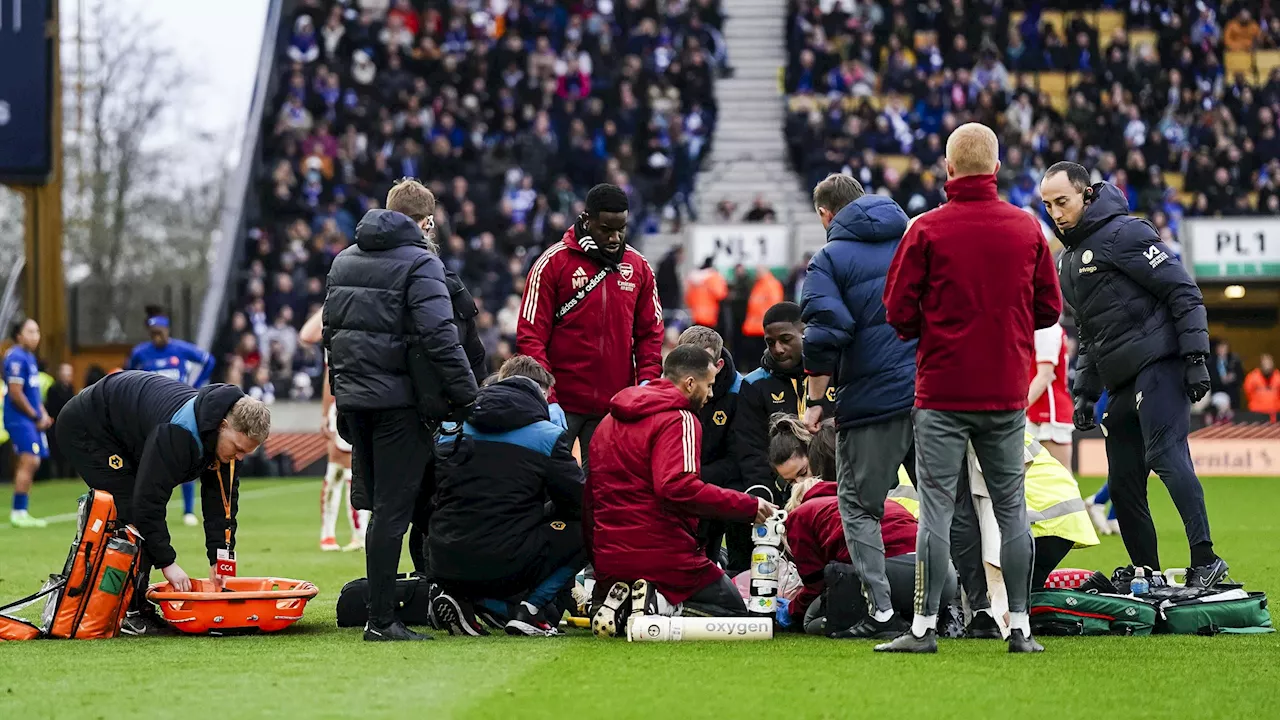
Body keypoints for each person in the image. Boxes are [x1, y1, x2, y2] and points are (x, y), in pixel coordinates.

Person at [882, 123, 1061, 654]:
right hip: (1005, 391)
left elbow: (897, 312)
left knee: (935, 508)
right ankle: (1020, 628)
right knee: (1011, 510)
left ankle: (923, 628)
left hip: (941, 390)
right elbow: (1050, 308)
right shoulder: (1026, 229)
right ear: (997, 170)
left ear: (949, 168)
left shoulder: (926, 229)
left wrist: (936, 328)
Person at [1043, 161, 1229, 589]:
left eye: (1063, 201)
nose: (1055, 211)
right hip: (1120, 380)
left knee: (1166, 456)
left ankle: (1207, 559)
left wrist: (1196, 357)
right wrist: (1085, 393)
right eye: (1048, 204)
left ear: (1086, 195)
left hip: (1161, 364)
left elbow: (1182, 290)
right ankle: (1147, 572)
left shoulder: (1126, 232)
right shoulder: (1067, 263)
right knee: (1122, 480)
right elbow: (1090, 334)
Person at [325, 178, 480, 642]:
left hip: (358, 401)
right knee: (400, 511)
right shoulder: (421, 264)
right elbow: (440, 338)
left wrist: (343, 396)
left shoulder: (344, 260)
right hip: (401, 405)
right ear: (427, 221)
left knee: (385, 512)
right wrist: (471, 398)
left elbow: (332, 337)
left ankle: (387, 610)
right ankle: (382, 620)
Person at [54, 371, 270, 634]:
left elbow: (222, 506)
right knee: (129, 512)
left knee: (135, 509)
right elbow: (148, 504)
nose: (240, 457)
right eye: (238, 449)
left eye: (247, 452)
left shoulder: (225, 441)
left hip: (128, 433)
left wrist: (221, 560)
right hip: (89, 427)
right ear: (223, 425)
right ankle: (129, 613)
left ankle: (134, 607)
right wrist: (168, 564)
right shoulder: (178, 434)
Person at [585, 345, 776, 637]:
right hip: (665, 557)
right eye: (709, 385)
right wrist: (748, 506)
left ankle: (622, 606)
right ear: (690, 383)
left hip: (609, 556)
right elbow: (678, 487)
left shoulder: (608, 421)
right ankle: (658, 604)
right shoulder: (680, 418)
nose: (711, 394)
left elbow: (590, 497)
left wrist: (598, 563)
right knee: (733, 611)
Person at [800, 172, 916, 639]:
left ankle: (882, 612)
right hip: (932, 394)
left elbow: (826, 332)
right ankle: (965, 610)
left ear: (826, 215)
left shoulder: (828, 258)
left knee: (859, 507)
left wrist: (814, 402)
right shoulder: (914, 239)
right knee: (948, 505)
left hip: (872, 400)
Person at [429, 356, 585, 637]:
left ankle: (466, 598)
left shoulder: (450, 428)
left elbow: (427, 494)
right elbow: (579, 502)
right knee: (587, 527)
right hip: (507, 562)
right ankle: (532, 610)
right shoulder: (548, 436)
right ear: (540, 393)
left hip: (444, 556)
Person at [517, 183, 663, 474]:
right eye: (606, 228)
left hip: (614, 406)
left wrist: (646, 382)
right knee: (546, 485)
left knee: (604, 490)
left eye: (621, 228)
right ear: (586, 220)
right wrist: (548, 396)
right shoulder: (552, 263)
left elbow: (650, 333)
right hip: (561, 405)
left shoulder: (638, 267)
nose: (615, 237)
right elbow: (530, 335)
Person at [676, 326, 771, 573]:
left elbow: (738, 454)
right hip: (683, 479)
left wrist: (695, 479)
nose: (692, 373)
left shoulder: (740, 393)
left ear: (717, 365)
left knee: (739, 496)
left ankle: (737, 573)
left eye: (702, 363)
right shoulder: (671, 391)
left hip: (715, 479)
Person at [126, 305, 215, 527]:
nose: (158, 338)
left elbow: (209, 360)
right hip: (150, 412)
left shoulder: (181, 349)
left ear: (167, 331)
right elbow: (128, 375)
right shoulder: (140, 353)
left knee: (187, 455)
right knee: (146, 460)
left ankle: (188, 510)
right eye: (153, 334)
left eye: (161, 333)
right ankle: (144, 509)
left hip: (180, 409)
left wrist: (195, 385)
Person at [740, 302, 835, 499]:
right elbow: (752, 450)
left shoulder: (834, 372)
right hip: (785, 495)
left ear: (805, 332)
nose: (778, 349)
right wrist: (767, 498)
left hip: (838, 485)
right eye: (770, 342)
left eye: (785, 339)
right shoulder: (754, 384)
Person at [299, 307, 365, 553]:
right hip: (349, 404)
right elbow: (308, 338)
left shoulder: (354, 329)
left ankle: (353, 535)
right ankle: (338, 535)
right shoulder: (338, 333)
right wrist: (326, 413)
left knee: (350, 470)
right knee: (340, 468)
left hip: (360, 402)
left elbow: (307, 336)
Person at [5, 319, 51, 528]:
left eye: (37, 331)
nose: (36, 336)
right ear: (19, 335)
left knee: (33, 462)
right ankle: (18, 512)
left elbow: (33, 393)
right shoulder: (15, 356)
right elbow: (15, 393)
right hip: (19, 418)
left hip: (29, 418)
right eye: (31, 331)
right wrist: (35, 416)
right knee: (30, 461)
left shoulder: (30, 358)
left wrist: (43, 413)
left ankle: (22, 510)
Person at [1026, 322, 1074, 469]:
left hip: (1049, 415)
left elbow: (1045, 376)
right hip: (1037, 414)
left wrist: (1018, 407)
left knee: (1061, 477)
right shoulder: (1043, 328)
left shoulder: (1046, 329)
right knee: (1028, 476)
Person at [45, 363, 77, 480]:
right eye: (65, 374)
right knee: (56, 451)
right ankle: (57, 475)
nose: (67, 377)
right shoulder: (53, 389)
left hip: (68, 425)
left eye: (69, 374)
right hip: (56, 424)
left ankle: (69, 475)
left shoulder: (71, 389)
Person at [1243, 354, 1280, 418]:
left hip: (1276, 413)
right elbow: (1248, 393)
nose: (1267, 367)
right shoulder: (1252, 377)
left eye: (1269, 364)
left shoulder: (1278, 376)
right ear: (1260, 365)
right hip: (1256, 413)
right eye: (1265, 364)